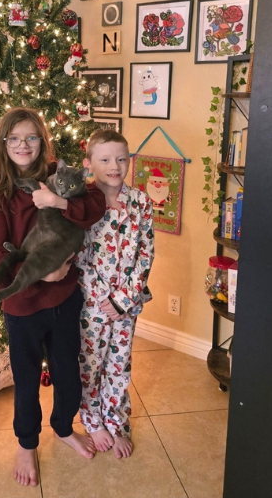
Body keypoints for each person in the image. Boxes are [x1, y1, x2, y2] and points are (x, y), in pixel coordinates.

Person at [0, 107, 107, 486]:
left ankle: (64, 428)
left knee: (68, 371)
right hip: (23, 305)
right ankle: (26, 442)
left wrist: (60, 202)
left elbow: (95, 204)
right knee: (27, 377)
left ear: (42, 142)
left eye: (31, 137)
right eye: (15, 138)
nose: (23, 145)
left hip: (65, 299)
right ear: (3, 144)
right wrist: (42, 272)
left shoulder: (57, 178)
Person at [75, 129, 155, 458]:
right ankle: (92, 420)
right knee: (90, 366)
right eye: (105, 159)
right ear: (89, 163)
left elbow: (145, 255)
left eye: (121, 159)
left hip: (126, 305)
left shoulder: (141, 202)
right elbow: (78, 256)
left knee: (119, 366)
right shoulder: (82, 203)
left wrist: (122, 299)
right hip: (91, 306)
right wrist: (99, 299)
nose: (114, 166)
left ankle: (117, 422)